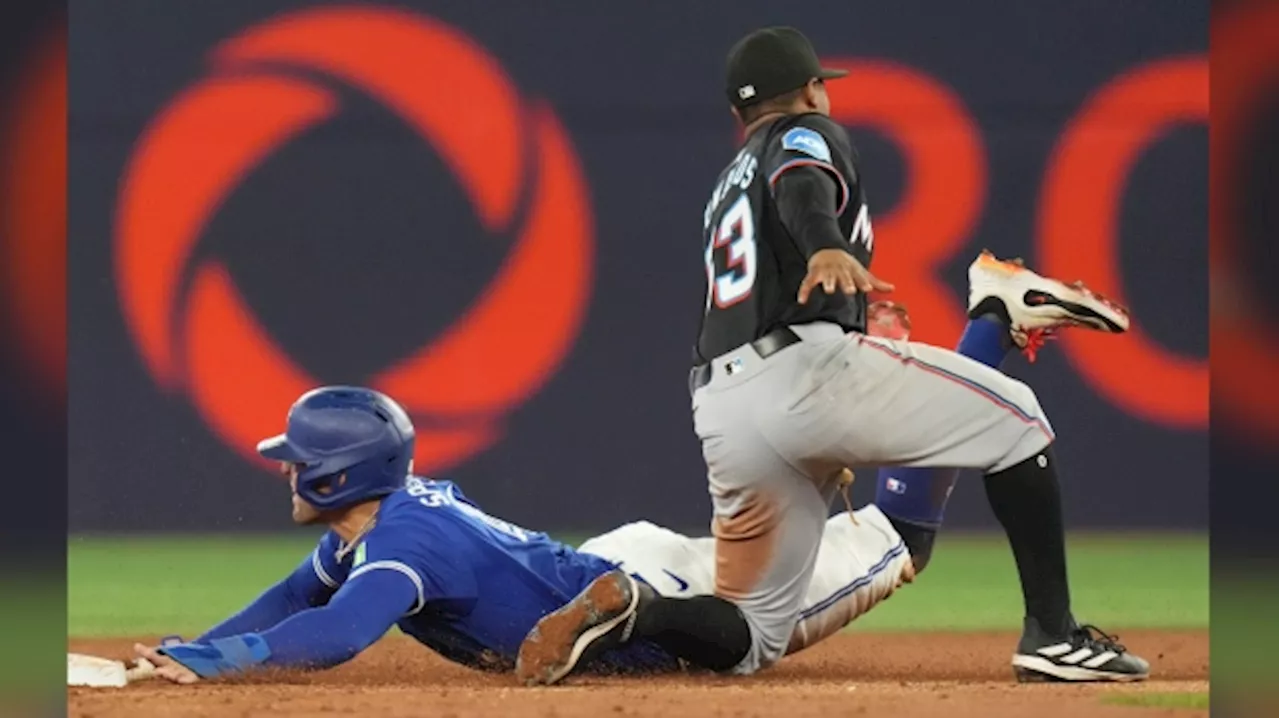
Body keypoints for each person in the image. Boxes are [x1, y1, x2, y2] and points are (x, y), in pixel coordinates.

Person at [513, 25, 1150, 687]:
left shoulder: (725, 185)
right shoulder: (801, 132)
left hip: (725, 406)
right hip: (805, 371)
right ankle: (1054, 634)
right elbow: (803, 179)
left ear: (738, 111)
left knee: (753, 633)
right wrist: (823, 243)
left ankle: (641, 614)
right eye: (820, 86)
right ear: (811, 90)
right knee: (1018, 419)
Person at [132, 385, 913, 684]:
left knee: (902, 541)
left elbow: (338, 631)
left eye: (299, 459)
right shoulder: (380, 518)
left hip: (669, 597)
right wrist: (196, 647)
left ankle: (989, 329)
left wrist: (217, 663)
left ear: (340, 477)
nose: (285, 469)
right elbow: (298, 592)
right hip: (613, 563)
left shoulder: (402, 547)